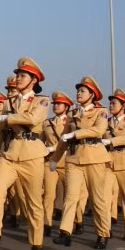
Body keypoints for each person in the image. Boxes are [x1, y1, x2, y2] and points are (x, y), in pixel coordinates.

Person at [0, 57, 49, 250]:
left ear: (33, 80)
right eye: (18, 75)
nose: (18, 78)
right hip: (10, 155)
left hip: (32, 155)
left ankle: (36, 243)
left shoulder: (42, 100)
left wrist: (7, 118)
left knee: (33, 202)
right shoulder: (9, 102)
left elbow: (32, 119)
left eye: (23, 76)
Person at [50, 76, 111, 250]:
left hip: (94, 158)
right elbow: (64, 139)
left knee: (97, 198)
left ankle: (102, 233)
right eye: (78, 90)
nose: (78, 93)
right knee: (71, 197)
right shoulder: (72, 114)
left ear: (92, 94)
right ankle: (65, 233)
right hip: (74, 158)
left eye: (83, 91)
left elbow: (98, 130)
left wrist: (75, 135)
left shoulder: (101, 112)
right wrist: (55, 158)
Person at [101, 89, 125, 241]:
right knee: (104, 197)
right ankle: (105, 230)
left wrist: (111, 141)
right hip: (109, 161)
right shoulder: (106, 121)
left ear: (123, 106)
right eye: (110, 103)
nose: (110, 105)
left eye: (114, 103)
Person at [41, 90, 73, 237]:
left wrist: (55, 147)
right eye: (55, 104)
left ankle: (76, 221)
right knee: (48, 194)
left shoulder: (72, 123)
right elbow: (40, 141)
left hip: (67, 161)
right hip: (50, 162)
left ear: (66, 107)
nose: (56, 106)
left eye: (59, 104)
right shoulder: (47, 123)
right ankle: (46, 223)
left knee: (71, 195)